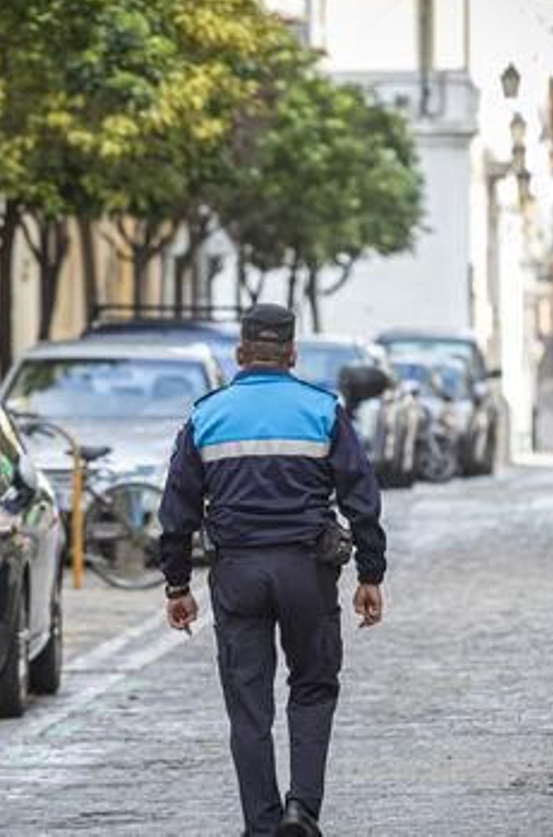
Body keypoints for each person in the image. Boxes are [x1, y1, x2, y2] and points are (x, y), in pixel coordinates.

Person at [158, 303, 387, 837]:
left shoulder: (206, 415)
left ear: (240, 353)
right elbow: (361, 496)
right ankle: (301, 810)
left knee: (248, 704)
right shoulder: (322, 409)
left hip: (237, 574)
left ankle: (261, 825)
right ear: (292, 353)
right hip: (307, 571)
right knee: (312, 686)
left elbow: (177, 510)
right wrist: (371, 574)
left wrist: (176, 584)